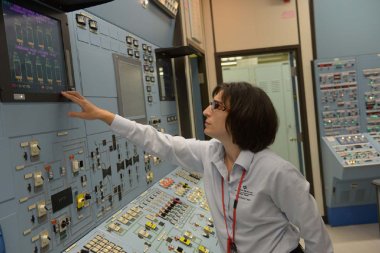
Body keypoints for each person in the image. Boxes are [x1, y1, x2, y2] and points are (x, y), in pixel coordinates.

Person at [62, 82, 333, 253]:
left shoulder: (276, 172)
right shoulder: (211, 154)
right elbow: (159, 142)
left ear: (240, 117)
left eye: (216, 106)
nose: (206, 111)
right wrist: (103, 116)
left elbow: (315, 234)